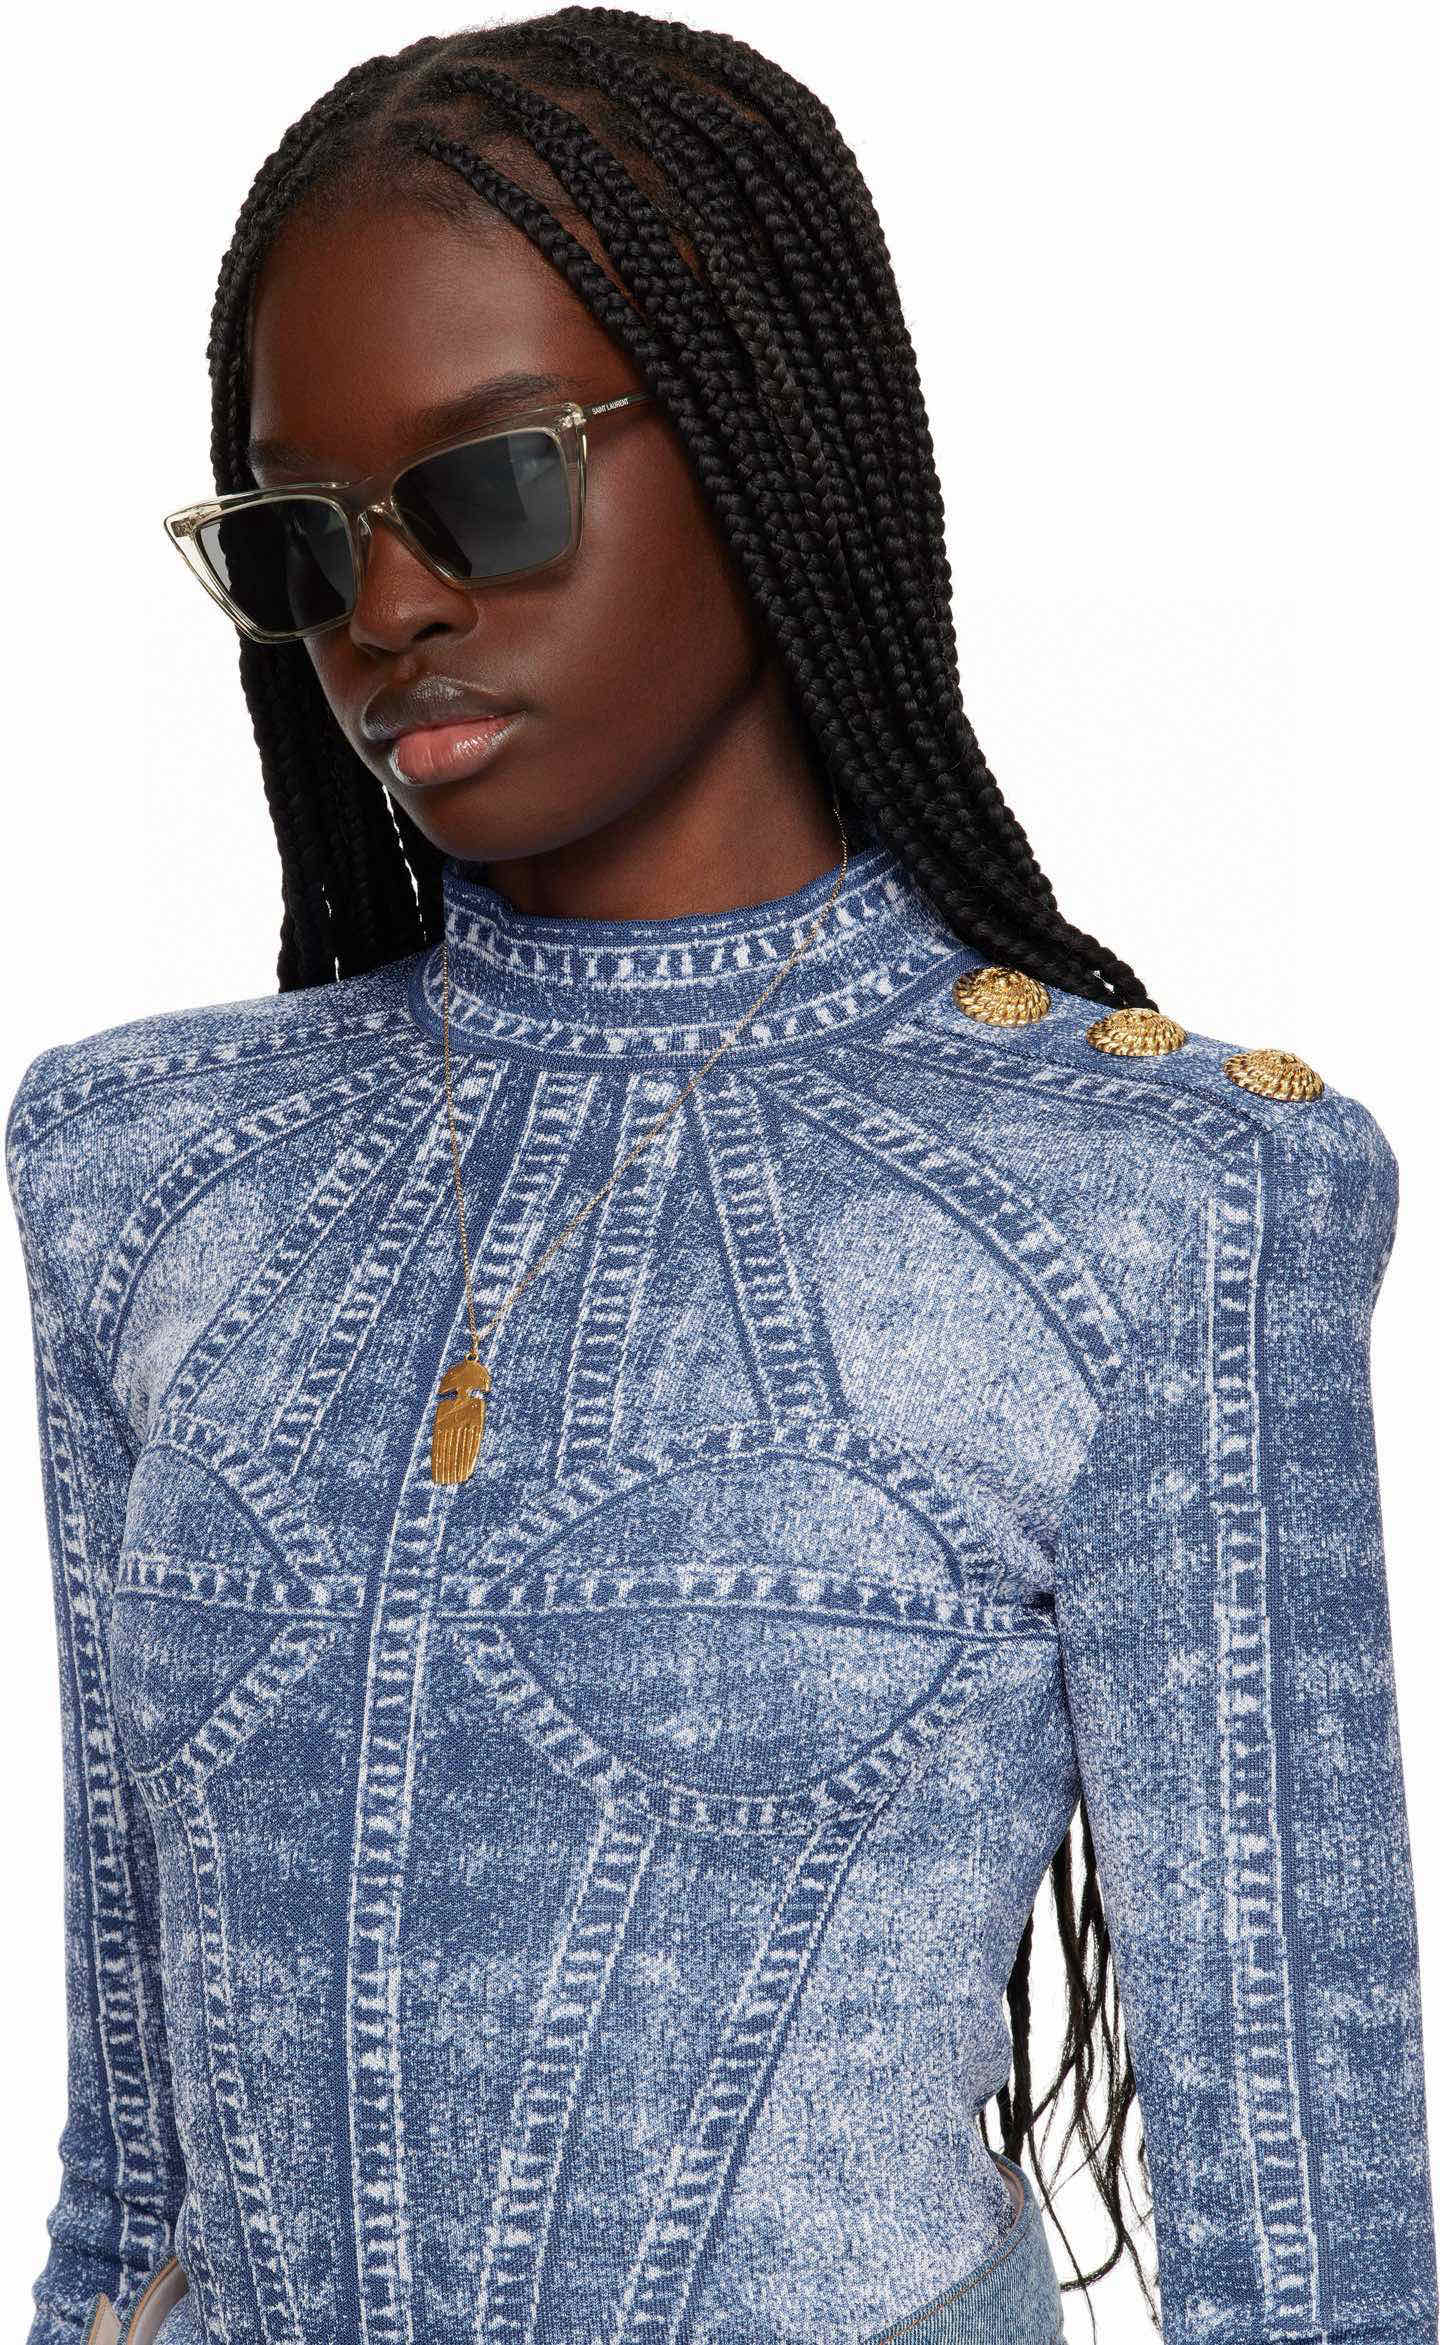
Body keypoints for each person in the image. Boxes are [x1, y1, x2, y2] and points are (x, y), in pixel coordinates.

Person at [6, 13, 1435, 2344]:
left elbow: (1308, 2225)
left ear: (769, 440)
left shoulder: (1164, 1195)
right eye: (301, 539)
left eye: (489, 488)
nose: (388, 610)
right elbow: (129, 2176)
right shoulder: (150, 1170)